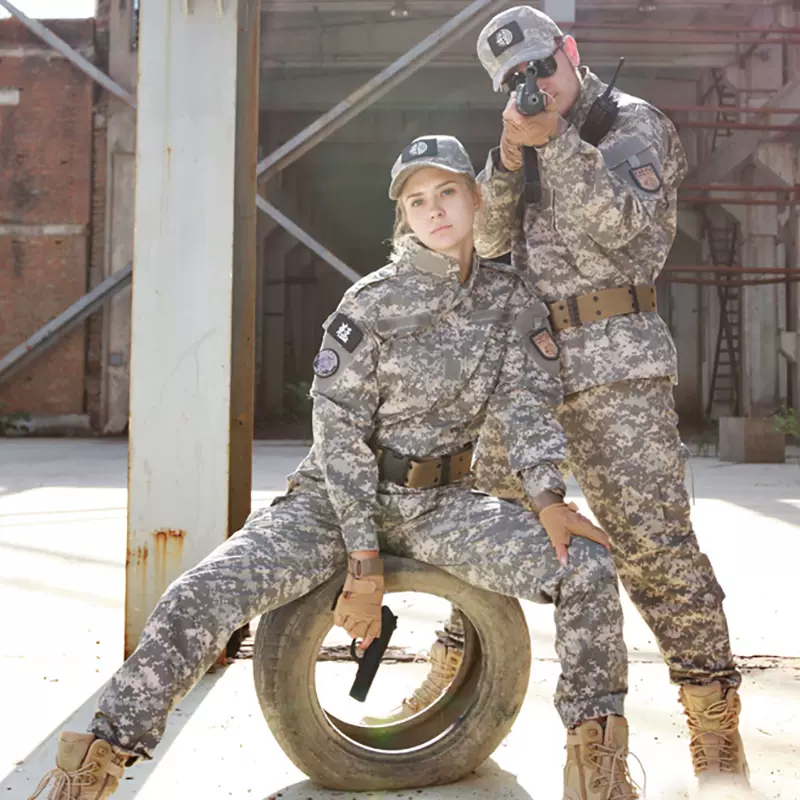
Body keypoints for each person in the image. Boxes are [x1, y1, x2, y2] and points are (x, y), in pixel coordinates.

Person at [29, 135, 642, 800]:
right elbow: (341, 432)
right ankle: (90, 771)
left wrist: (548, 497)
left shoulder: (512, 301)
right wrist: (363, 560)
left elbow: (527, 410)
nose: (433, 210)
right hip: (332, 504)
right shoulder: (370, 302)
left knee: (586, 565)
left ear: (473, 199)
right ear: (402, 216)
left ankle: (596, 771)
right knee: (196, 598)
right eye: (416, 201)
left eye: (446, 194)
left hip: (444, 504)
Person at [381, 5, 750, 793]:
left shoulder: (628, 124)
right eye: (515, 79)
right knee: (483, 525)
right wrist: (511, 158)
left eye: (543, 66)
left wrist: (559, 146)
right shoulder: (522, 136)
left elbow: (631, 234)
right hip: (530, 372)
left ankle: (713, 723)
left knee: (654, 549)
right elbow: (484, 242)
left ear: (571, 52)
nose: (535, 84)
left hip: (617, 367)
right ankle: (458, 673)